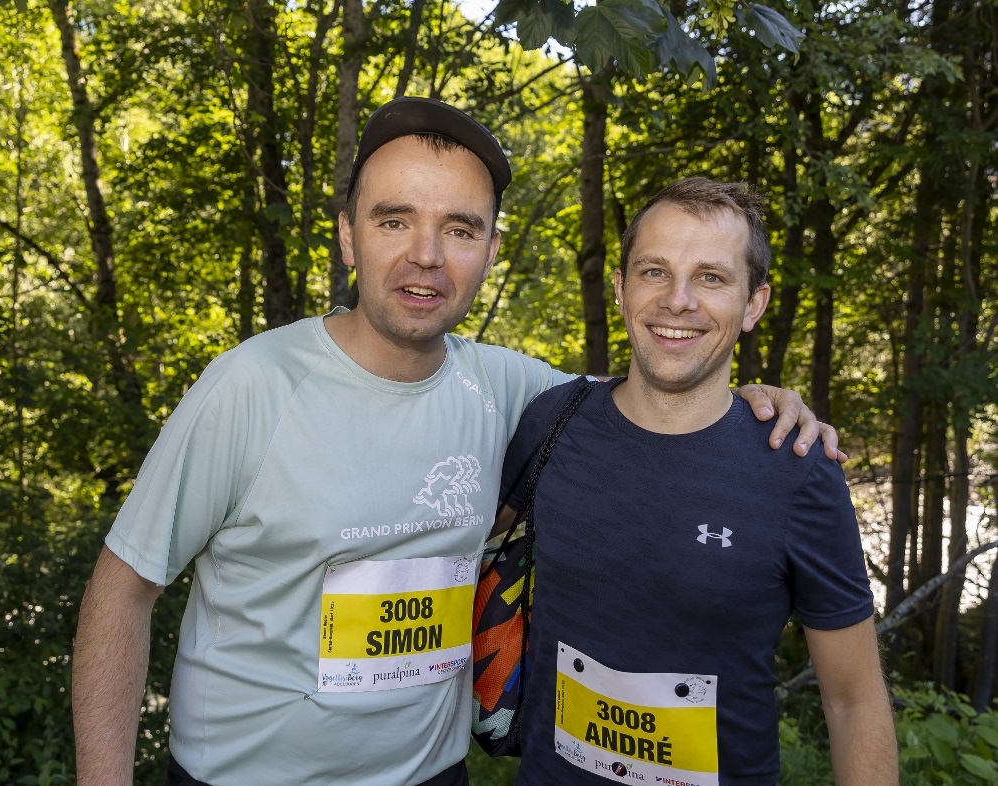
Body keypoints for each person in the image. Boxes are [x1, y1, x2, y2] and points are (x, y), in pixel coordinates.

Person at [71, 101, 837, 786]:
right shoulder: (251, 387)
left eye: (460, 229)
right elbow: (122, 591)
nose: (427, 255)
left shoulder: (510, 392)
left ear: (491, 251)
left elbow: (658, 386)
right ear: (347, 237)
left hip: (435, 775)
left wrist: (755, 404)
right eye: (394, 221)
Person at [499, 177, 897, 785]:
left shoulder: (797, 468)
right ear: (621, 288)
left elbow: (854, 703)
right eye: (654, 271)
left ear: (753, 305)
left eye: (710, 277)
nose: (678, 300)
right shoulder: (552, 422)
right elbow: (459, 538)